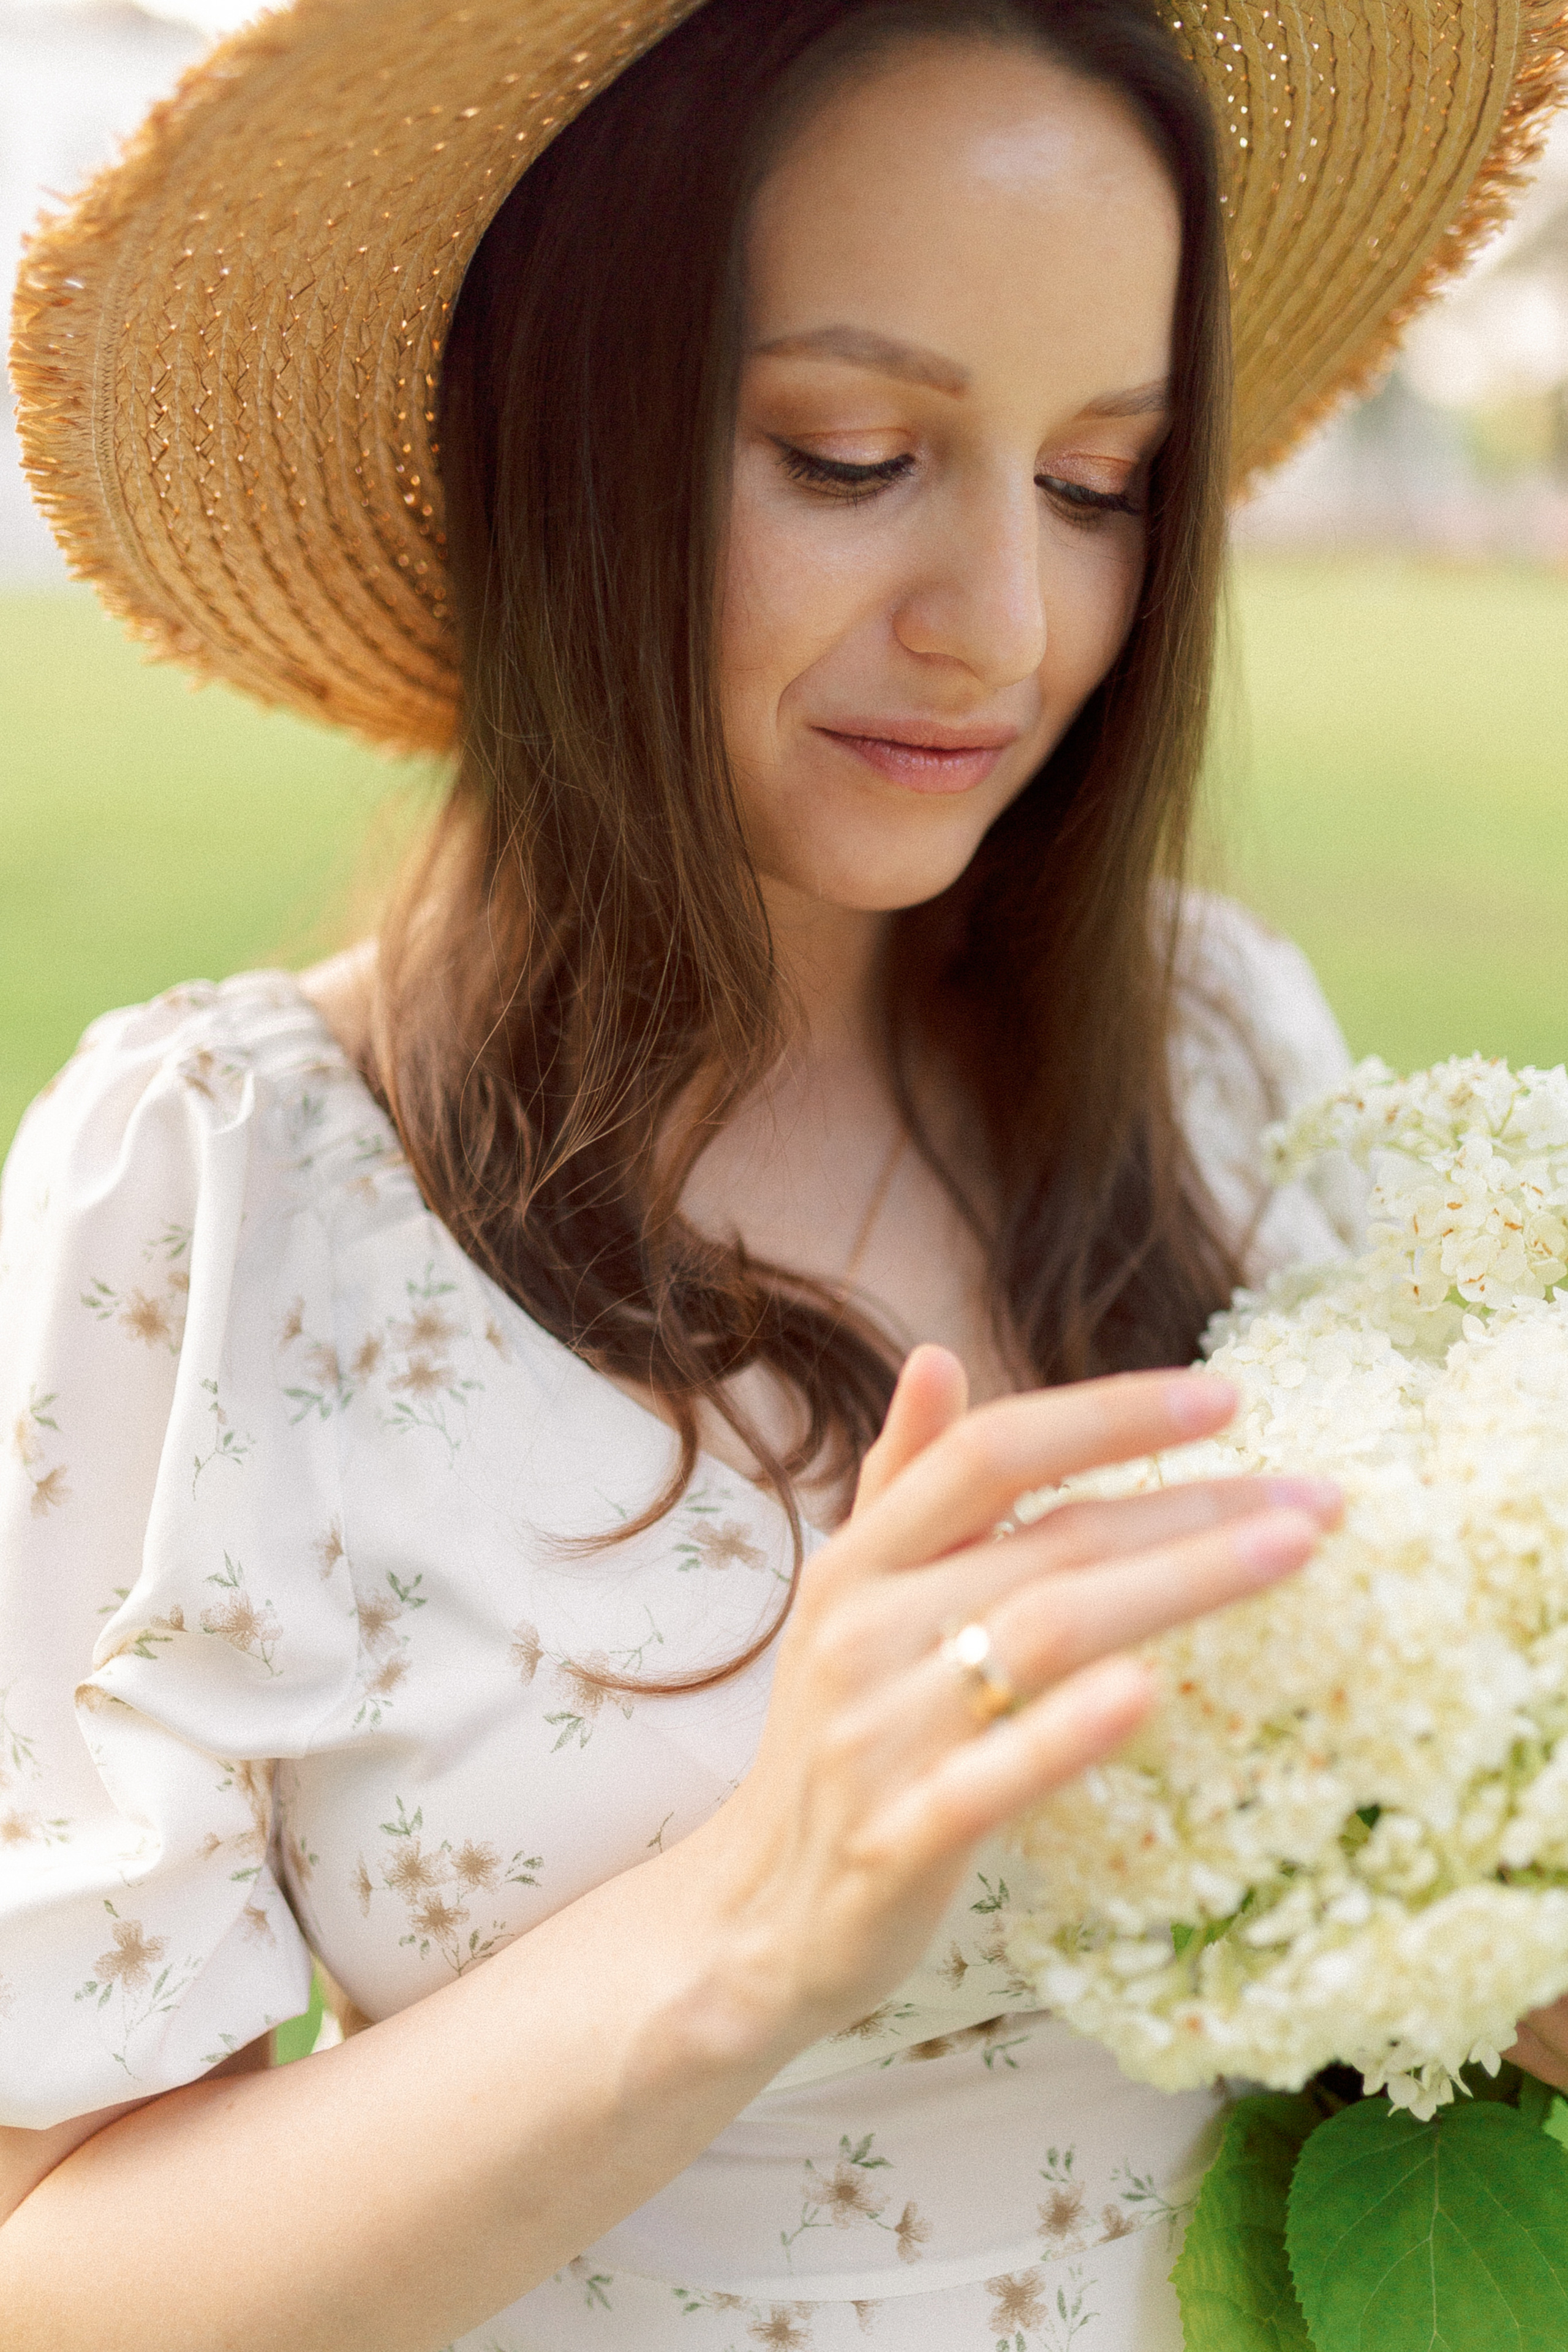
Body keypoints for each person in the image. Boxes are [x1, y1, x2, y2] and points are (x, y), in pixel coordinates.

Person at [2, 0, 1564, 2345]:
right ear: (553, 431)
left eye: (1099, 483)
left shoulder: (1218, 1052)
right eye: (849, 454)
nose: (1006, 633)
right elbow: (59, 2278)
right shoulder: (221, 1195)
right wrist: (758, 1910)